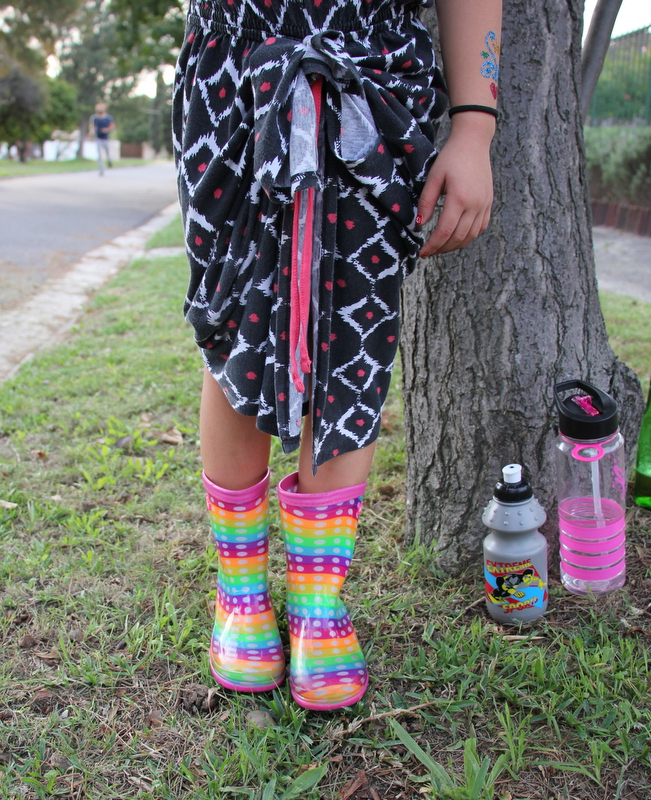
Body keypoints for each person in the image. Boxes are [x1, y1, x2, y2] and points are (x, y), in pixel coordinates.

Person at [173, 0, 502, 710]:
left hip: (375, 81)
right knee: (234, 323)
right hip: (234, 74)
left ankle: (317, 607)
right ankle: (241, 598)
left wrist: (475, 125)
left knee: (357, 333)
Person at [90, 103, 115, 176]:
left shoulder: (108, 118)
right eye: (99, 108)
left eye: (102, 108)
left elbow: (112, 126)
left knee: (108, 153)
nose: (100, 109)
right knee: (99, 155)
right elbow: (92, 126)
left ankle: (109, 161)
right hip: (98, 138)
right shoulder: (94, 118)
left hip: (106, 138)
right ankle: (101, 170)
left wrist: (106, 129)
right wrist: (92, 131)